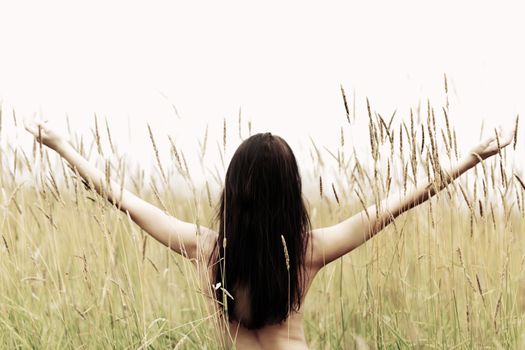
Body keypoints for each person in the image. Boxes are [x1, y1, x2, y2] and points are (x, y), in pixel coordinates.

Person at [24, 117, 515, 349]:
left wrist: (63, 146)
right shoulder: (307, 251)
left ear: (232, 191)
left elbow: (125, 201)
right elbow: (395, 205)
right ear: (291, 193)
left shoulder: (209, 249)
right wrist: (469, 159)